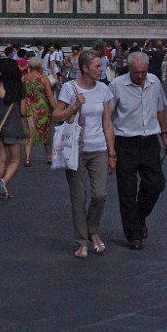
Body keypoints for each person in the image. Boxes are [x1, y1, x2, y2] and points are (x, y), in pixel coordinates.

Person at [52, 49, 116, 258]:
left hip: (99, 149)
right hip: (75, 150)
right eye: (97, 66)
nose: (101, 69)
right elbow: (56, 115)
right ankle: (82, 241)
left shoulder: (104, 90)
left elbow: (107, 122)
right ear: (85, 68)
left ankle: (92, 229)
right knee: (79, 198)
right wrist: (75, 106)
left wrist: (112, 153)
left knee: (100, 195)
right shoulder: (70, 89)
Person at [108, 50, 167, 250]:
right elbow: (107, 118)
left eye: (143, 72)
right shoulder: (117, 86)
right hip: (125, 142)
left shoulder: (154, 82)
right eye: (136, 72)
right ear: (129, 69)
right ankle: (134, 235)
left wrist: (164, 135)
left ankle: (138, 216)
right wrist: (110, 150)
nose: (140, 76)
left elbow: (159, 108)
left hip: (149, 142)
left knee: (156, 184)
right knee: (127, 191)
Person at [0, 60, 26, 200]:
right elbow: (23, 111)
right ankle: (4, 181)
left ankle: (3, 185)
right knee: (15, 160)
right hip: (14, 126)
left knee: (1, 159)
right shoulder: (19, 88)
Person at [23, 56, 57, 166]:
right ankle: (48, 156)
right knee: (45, 132)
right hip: (42, 107)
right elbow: (50, 95)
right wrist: (55, 108)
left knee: (29, 133)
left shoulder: (24, 78)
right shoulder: (43, 78)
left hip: (29, 107)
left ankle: (27, 158)